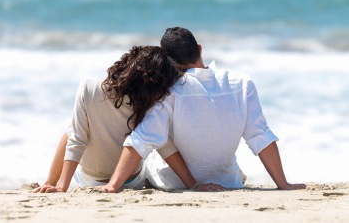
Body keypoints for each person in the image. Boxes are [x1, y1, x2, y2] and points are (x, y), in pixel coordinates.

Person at [99, 27, 306, 193]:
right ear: (199, 48)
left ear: (168, 62)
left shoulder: (169, 91)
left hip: (173, 183)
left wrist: (113, 185)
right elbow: (260, 136)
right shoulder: (242, 84)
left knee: (153, 149)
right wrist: (283, 184)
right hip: (229, 182)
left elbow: (142, 140)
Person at [34, 45, 222, 193]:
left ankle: (50, 182)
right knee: (154, 137)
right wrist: (193, 184)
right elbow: (165, 145)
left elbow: (77, 140)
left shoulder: (88, 88)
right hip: (131, 181)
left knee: (73, 129)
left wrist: (61, 186)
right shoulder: (149, 101)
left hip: (88, 180)